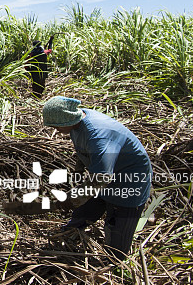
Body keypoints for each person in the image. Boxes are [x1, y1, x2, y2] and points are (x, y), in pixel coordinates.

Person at [43, 96, 152, 261]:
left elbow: (100, 179)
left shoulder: (99, 136)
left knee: (116, 249)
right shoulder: (77, 123)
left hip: (130, 181)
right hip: (105, 175)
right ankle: (70, 234)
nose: (55, 130)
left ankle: (114, 266)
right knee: (84, 212)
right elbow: (84, 150)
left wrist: (69, 199)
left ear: (66, 121)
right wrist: (79, 169)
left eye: (56, 126)